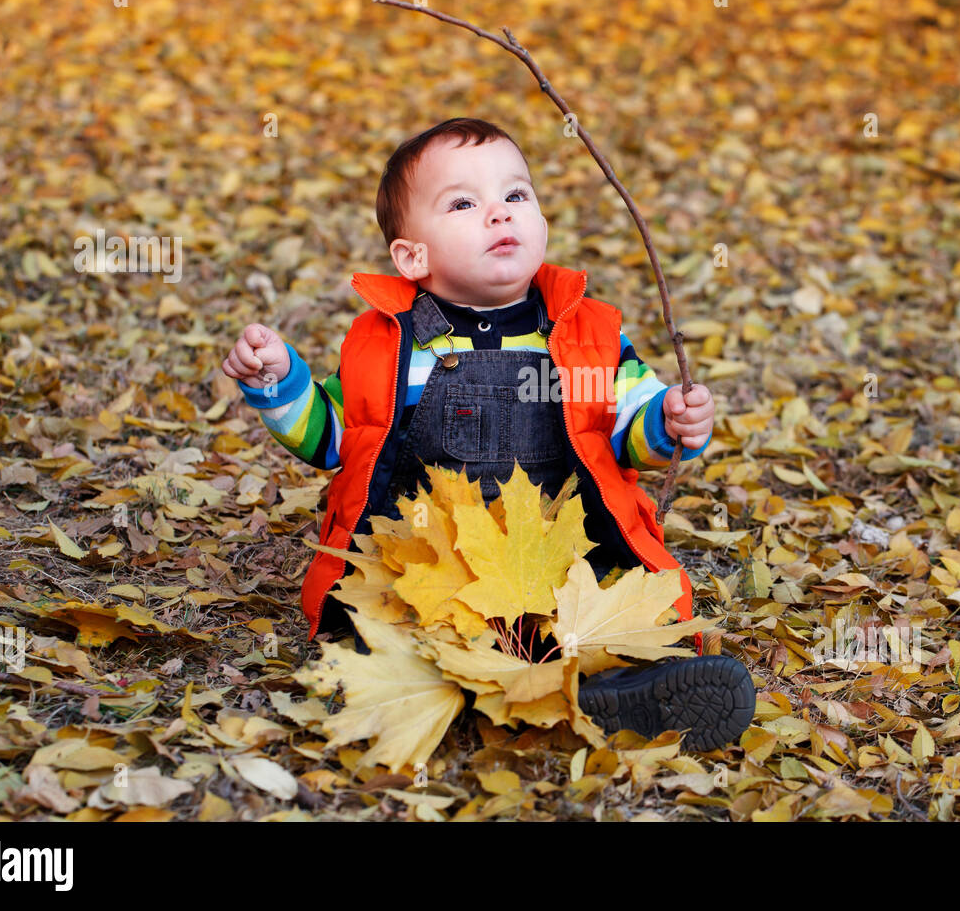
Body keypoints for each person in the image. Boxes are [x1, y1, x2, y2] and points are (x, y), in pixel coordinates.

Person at [221, 117, 754, 751]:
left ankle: (622, 690)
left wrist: (666, 422)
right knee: (402, 618)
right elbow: (336, 438)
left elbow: (624, 430)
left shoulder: (583, 339)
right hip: (434, 559)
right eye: (465, 203)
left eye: (516, 195)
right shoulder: (392, 348)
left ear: (541, 222)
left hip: (563, 553)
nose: (500, 214)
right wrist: (281, 384)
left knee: (605, 609)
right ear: (412, 256)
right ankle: (446, 683)